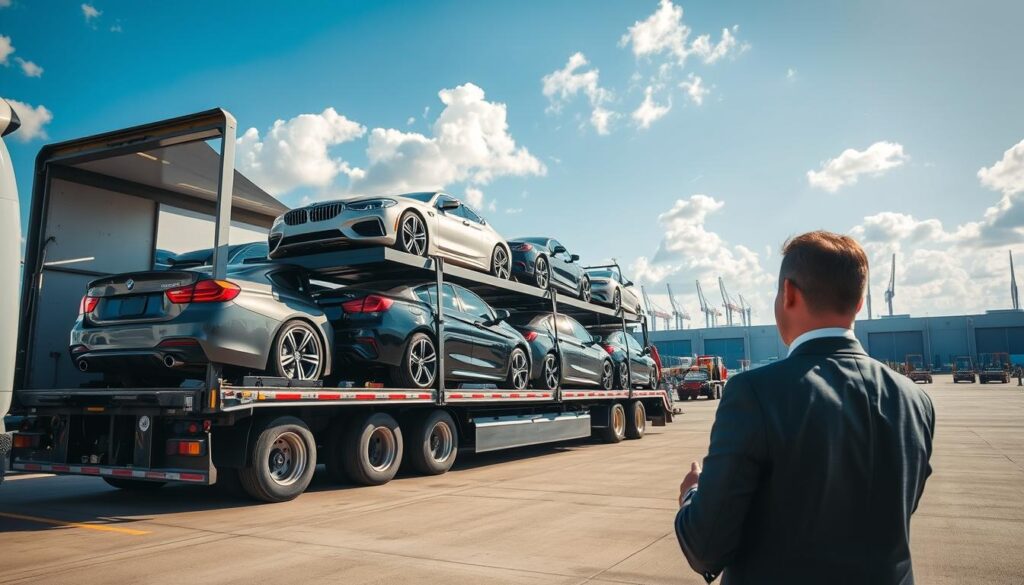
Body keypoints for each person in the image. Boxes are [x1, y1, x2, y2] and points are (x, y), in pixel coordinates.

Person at [674, 231, 935, 584]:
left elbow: (706, 545)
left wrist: (692, 493)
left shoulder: (753, 393)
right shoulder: (915, 400)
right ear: (859, 303)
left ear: (790, 294)